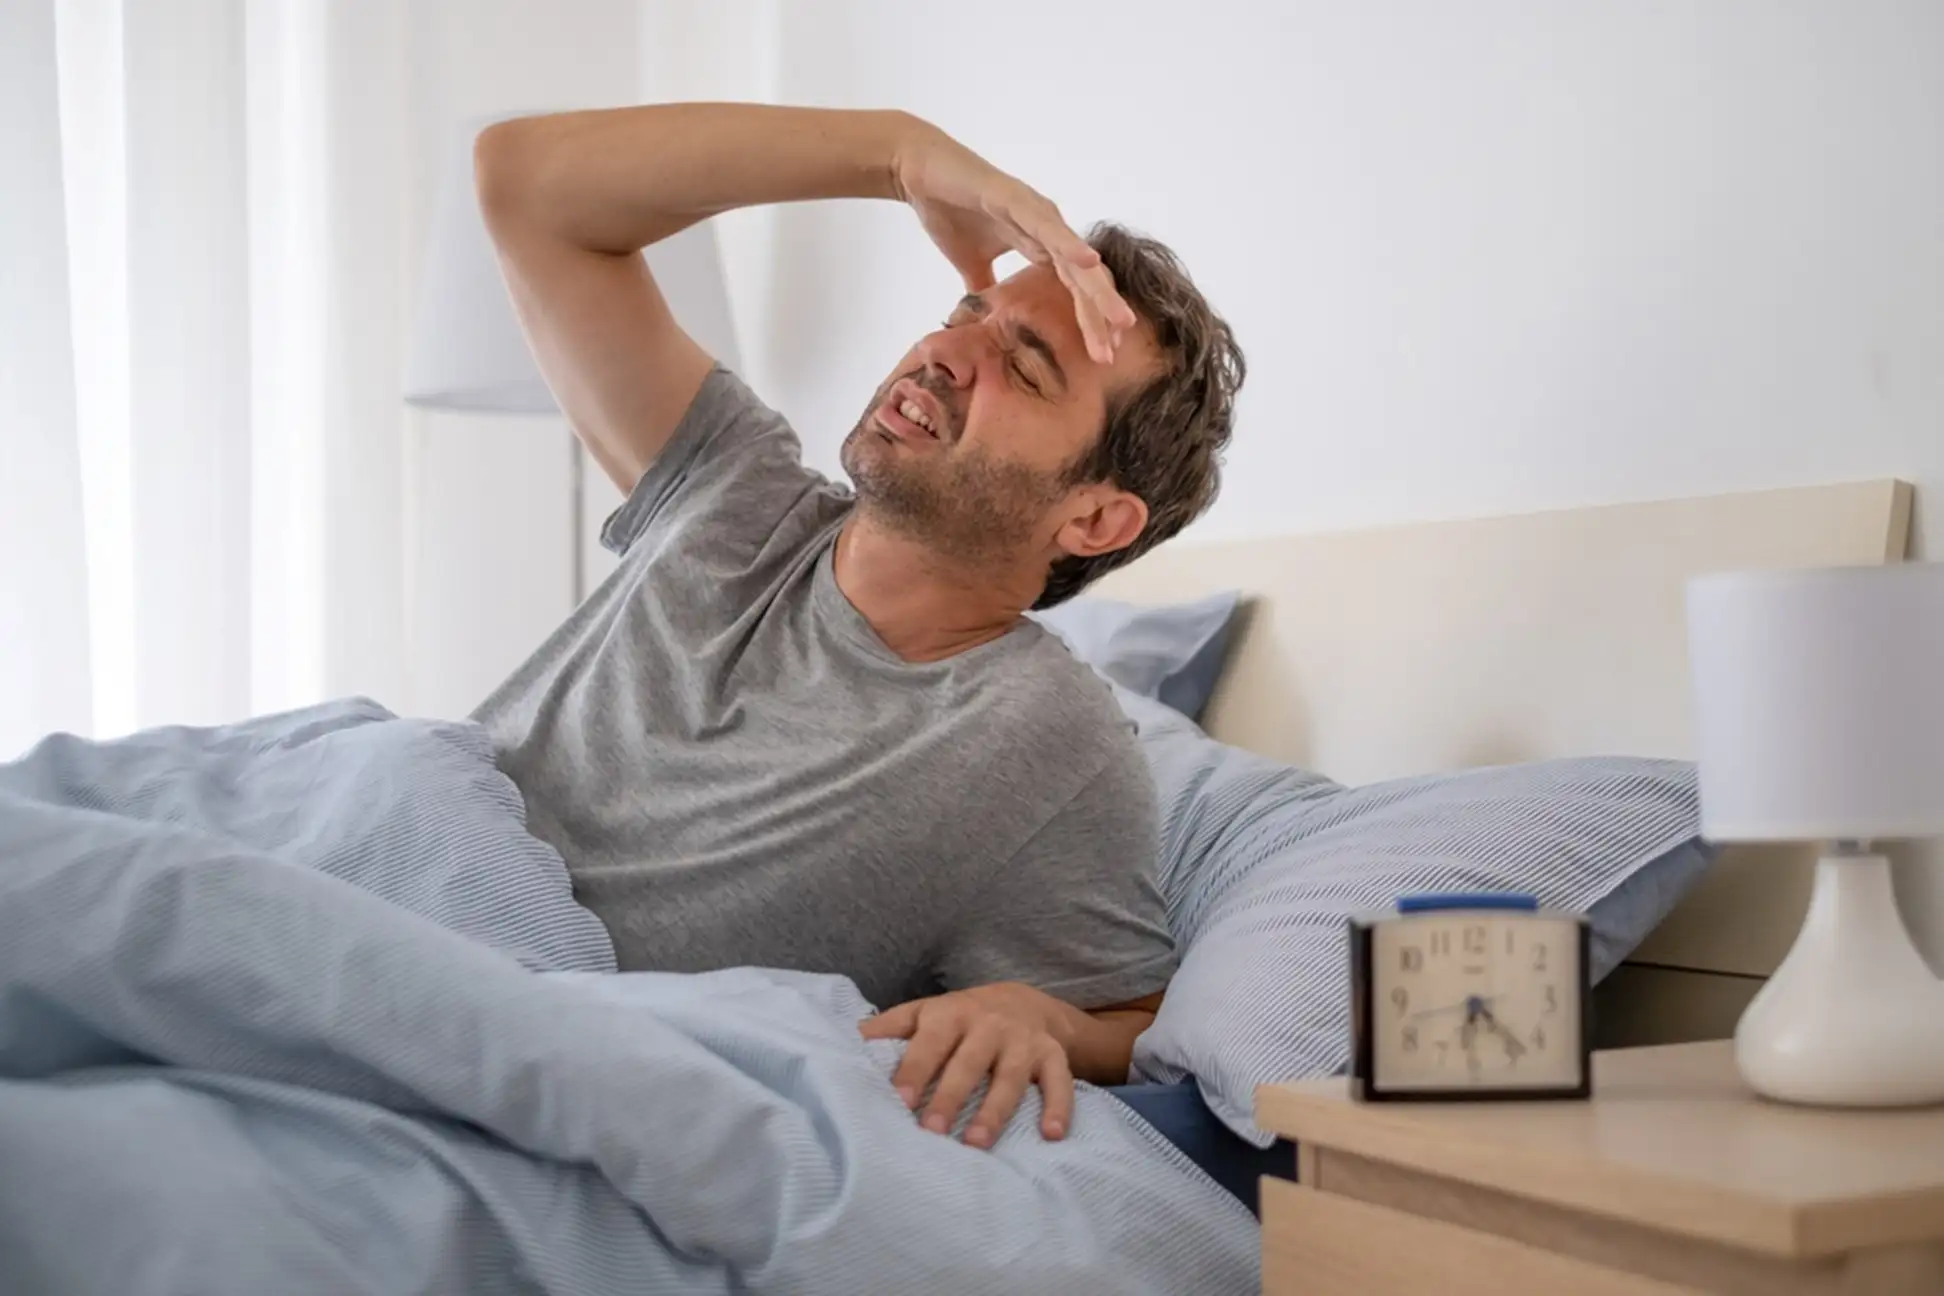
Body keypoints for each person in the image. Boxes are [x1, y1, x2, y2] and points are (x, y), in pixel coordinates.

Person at [470, 103, 1243, 1151]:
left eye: (1022, 366)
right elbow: (523, 182)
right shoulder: (731, 488)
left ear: (1095, 516)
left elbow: (1135, 1022)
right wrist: (897, 153)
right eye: (964, 311)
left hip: (490, 1027)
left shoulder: (1036, 738)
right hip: (370, 860)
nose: (940, 351)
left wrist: (1046, 1016)